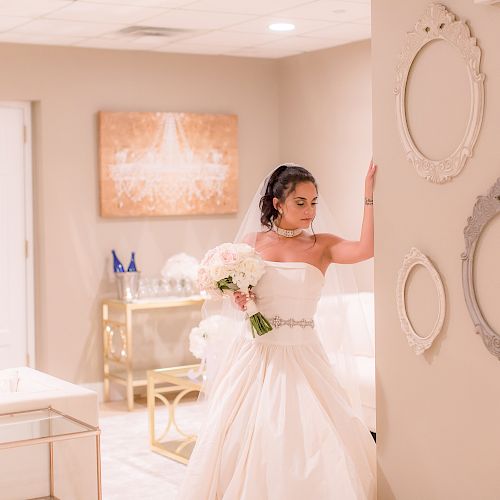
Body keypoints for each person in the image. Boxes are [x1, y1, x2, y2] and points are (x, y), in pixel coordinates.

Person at [178, 162, 377, 499]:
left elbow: (365, 249)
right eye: (300, 203)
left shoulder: (322, 245)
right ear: (277, 203)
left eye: (314, 202)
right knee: (247, 435)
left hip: (303, 354)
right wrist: (241, 297)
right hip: (256, 353)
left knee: (316, 438)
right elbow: (240, 291)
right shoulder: (249, 245)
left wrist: (369, 198)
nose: (309, 211)